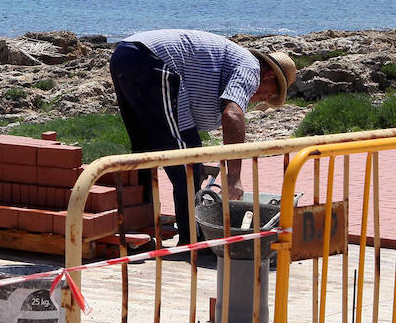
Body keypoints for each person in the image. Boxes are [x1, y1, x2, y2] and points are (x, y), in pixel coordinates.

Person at [109, 29, 296, 245]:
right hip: (152, 60)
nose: (263, 99)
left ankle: (139, 232)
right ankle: (193, 241)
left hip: (126, 54)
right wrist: (233, 176)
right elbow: (233, 114)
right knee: (187, 164)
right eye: (270, 93)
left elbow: (186, 122)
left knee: (145, 152)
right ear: (270, 75)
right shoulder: (251, 68)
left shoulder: (231, 64)